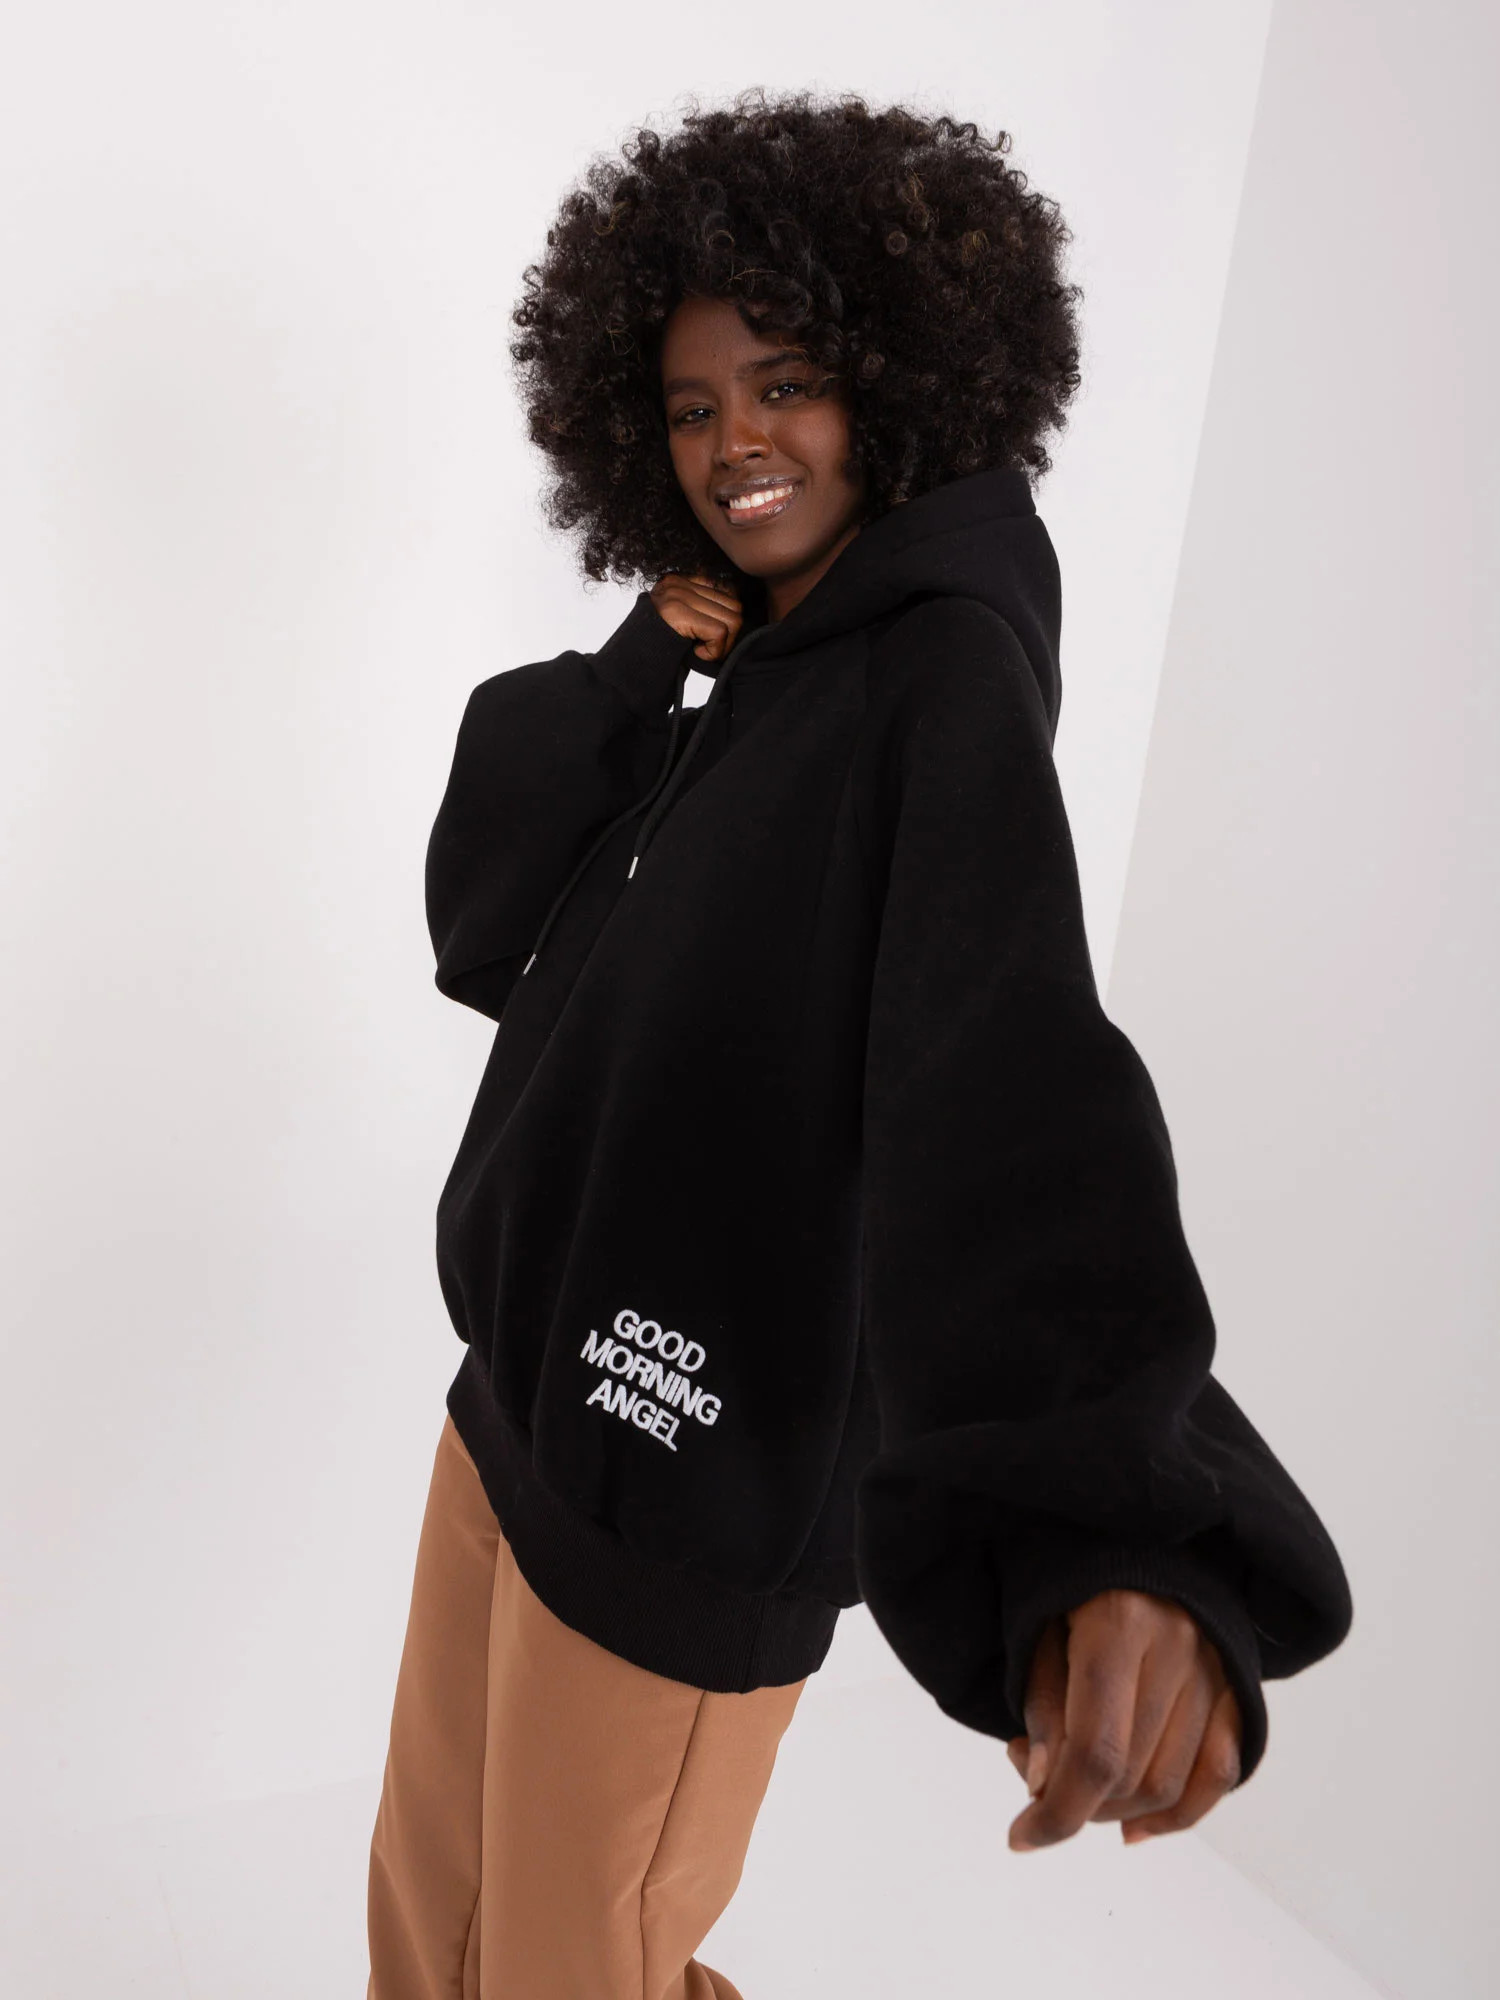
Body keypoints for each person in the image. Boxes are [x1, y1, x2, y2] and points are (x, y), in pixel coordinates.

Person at [366, 88, 1353, 2000]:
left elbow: (1005, 1078)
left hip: (686, 1485)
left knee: (569, 1971)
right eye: (690, 406)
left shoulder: (936, 682)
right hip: (515, 1414)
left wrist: (1113, 1524)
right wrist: (647, 665)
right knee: (428, 1934)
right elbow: (481, 914)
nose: (735, 441)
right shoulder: (753, 661)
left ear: (898, 383)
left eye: (786, 383)